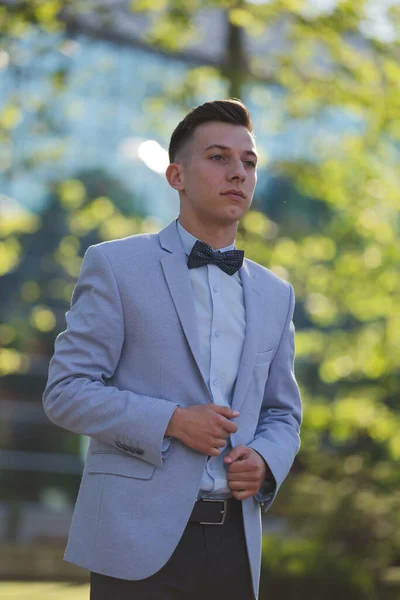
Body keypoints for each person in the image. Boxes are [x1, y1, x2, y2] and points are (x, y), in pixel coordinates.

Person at [43, 98, 302, 600]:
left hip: (235, 543)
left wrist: (267, 460)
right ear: (175, 176)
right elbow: (66, 392)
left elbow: (282, 414)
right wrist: (173, 421)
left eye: (248, 162)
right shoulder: (116, 265)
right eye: (218, 158)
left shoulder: (276, 293)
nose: (238, 173)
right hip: (131, 538)